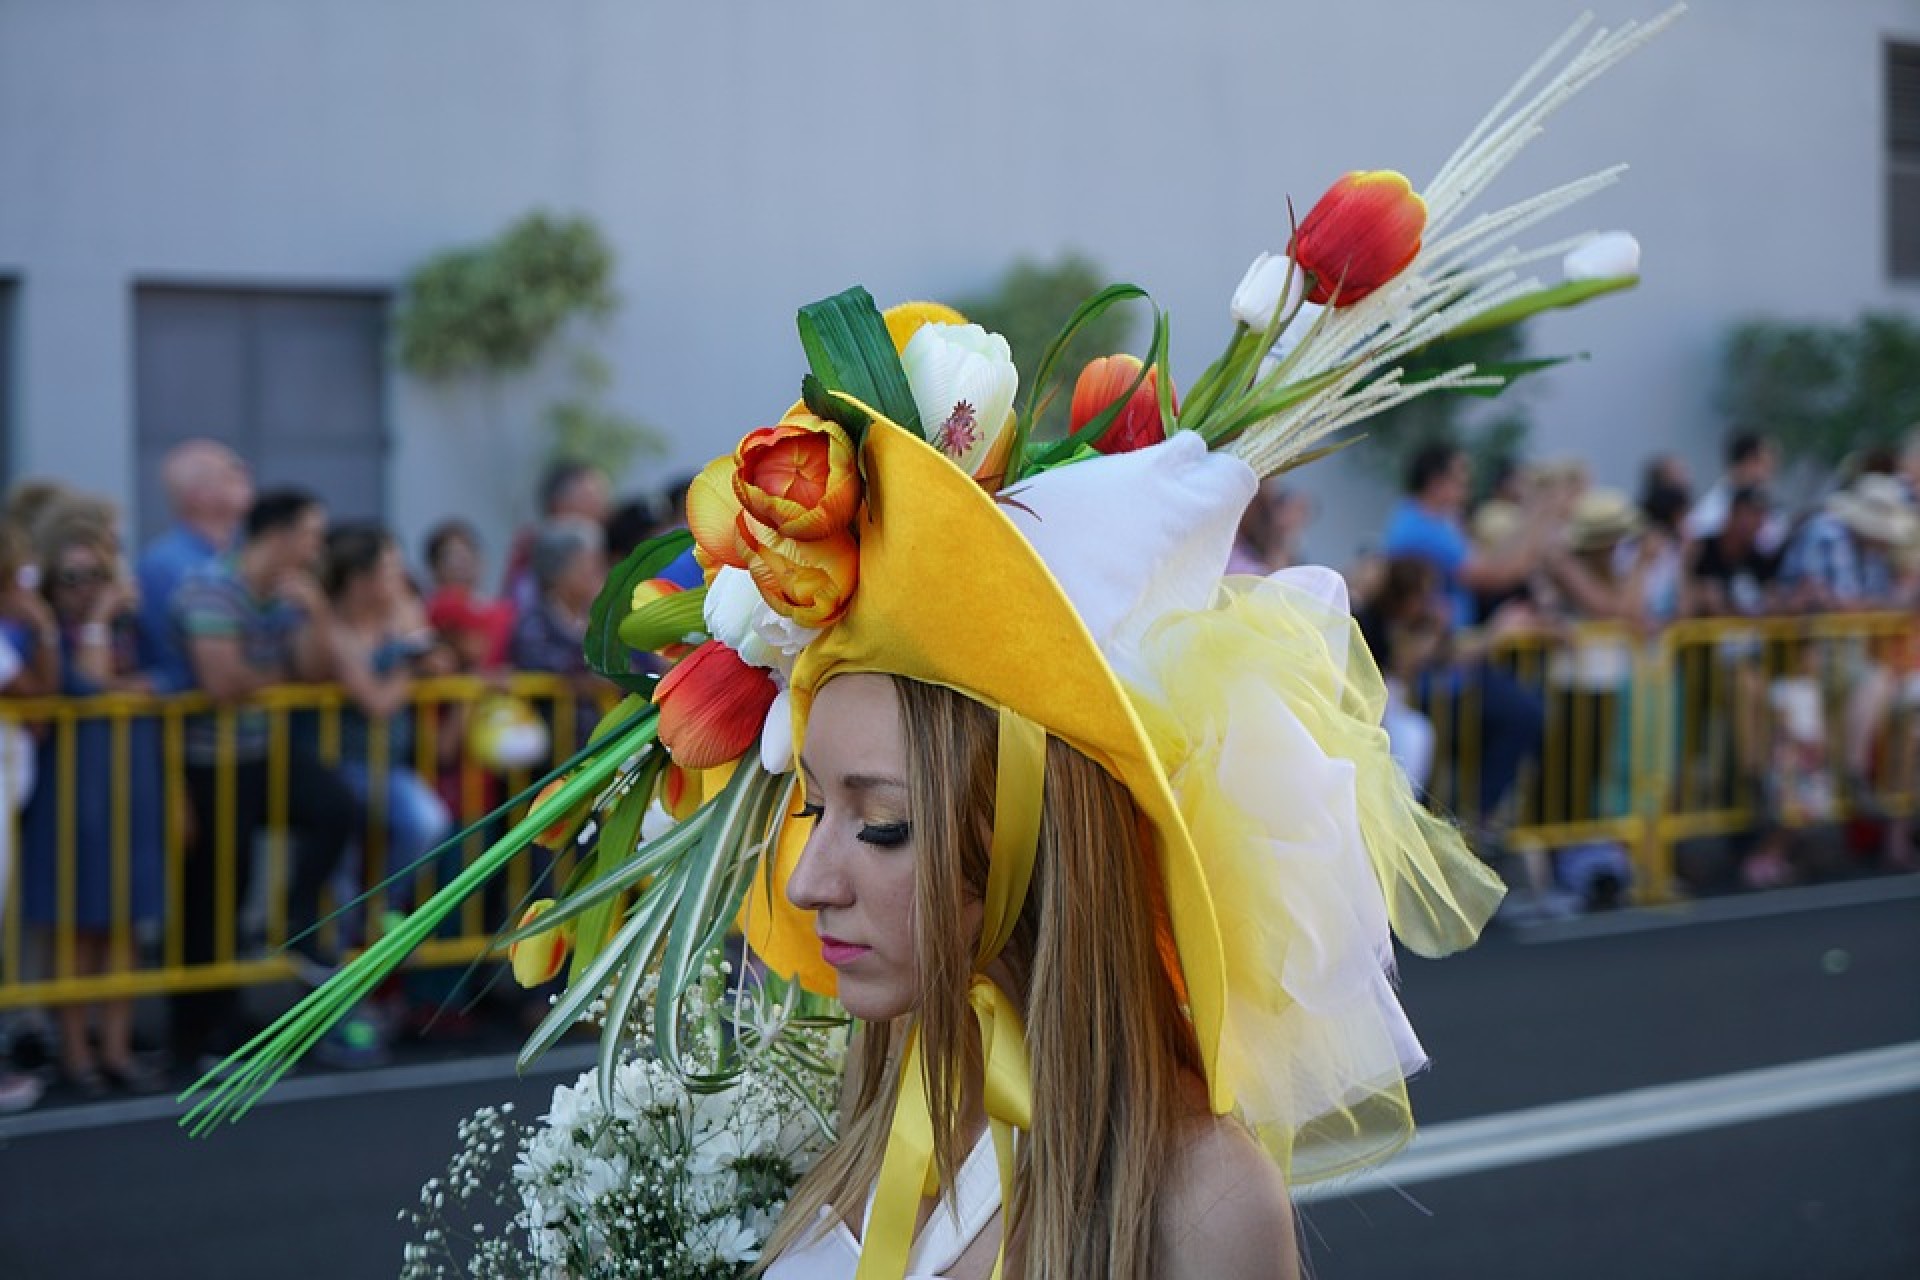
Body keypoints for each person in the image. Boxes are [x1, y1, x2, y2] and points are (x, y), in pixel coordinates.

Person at [168, 488, 358, 1068]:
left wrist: (318, 612)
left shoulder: (286, 593)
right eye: (311, 534)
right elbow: (221, 682)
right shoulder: (210, 585)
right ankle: (201, 1030)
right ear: (278, 534)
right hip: (208, 759)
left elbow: (317, 669)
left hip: (260, 747)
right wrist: (277, 676)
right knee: (217, 888)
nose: (317, 547)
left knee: (335, 806)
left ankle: (293, 917)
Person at [19, 505, 168, 1094]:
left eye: (96, 576)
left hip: (134, 789)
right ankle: (76, 1055)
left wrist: (121, 676)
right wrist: (103, 627)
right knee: (77, 927)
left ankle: (116, 1049)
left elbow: (171, 674)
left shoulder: (136, 624)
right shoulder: (51, 634)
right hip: (72, 796)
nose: (85, 590)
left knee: (125, 927)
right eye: (72, 578)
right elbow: (82, 684)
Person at [1383, 443, 1548, 830]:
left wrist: (1537, 518)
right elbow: (1493, 572)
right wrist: (1540, 513)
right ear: (1436, 481)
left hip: (1456, 663)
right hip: (1436, 671)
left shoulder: (1439, 523)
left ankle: (1476, 819)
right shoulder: (1420, 527)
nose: (1466, 486)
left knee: (1522, 713)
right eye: (1459, 477)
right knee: (1523, 715)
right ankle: (1477, 821)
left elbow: (1503, 564)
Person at [320, 524, 455, 914]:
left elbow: (441, 663)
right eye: (389, 568)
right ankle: (342, 942)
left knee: (428, 823)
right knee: (342, 859)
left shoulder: (399, 614)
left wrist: (420, 657)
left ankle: (383, 913)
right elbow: (376, 702)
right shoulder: (335, 629)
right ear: (360, 580)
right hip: (340, 765)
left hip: (388, 765)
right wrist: (412, 668)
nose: (399, 577)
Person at [136, 439, 254, 691]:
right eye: (229, 474)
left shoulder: (239, 556)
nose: (244, 477)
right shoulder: (162, 564)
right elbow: (167, 648)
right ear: (197, 496)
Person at [507, 517, 610, 749]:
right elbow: (543, 664)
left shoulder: (602, 619)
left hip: (600, 745)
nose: (597, 574)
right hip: (551, 752)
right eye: (588, 565)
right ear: (559, 570)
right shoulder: (535, 623)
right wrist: (589, 674)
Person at [500, 461, 613, 614]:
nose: (602, 506)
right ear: (559, 502)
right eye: (591, 496)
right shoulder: (533, 546)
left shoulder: (602, 549)